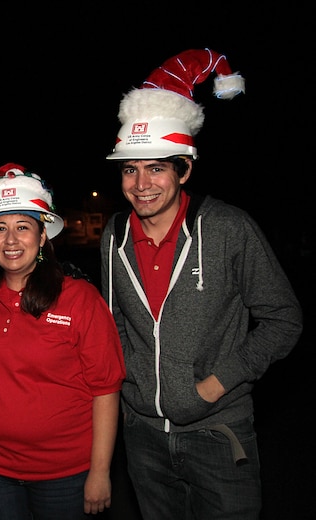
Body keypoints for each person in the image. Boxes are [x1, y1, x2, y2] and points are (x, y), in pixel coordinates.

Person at [100, 49, 303, 520]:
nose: (141, 183)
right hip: (143, 437)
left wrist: (215, 385)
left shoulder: (229, 228)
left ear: (184, 169)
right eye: (131, 169)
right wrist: (132, 388)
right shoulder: (114, 235)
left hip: (220, 434)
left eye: (156, 168)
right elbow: (114, 323)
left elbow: (283, 319)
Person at [0, 164, 126, 519]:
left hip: (64, 475)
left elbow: (106, 390)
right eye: (0, 228)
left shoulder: (79, 298)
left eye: (23, 227)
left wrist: (100, 472)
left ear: (42, 237)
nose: (11, 239)